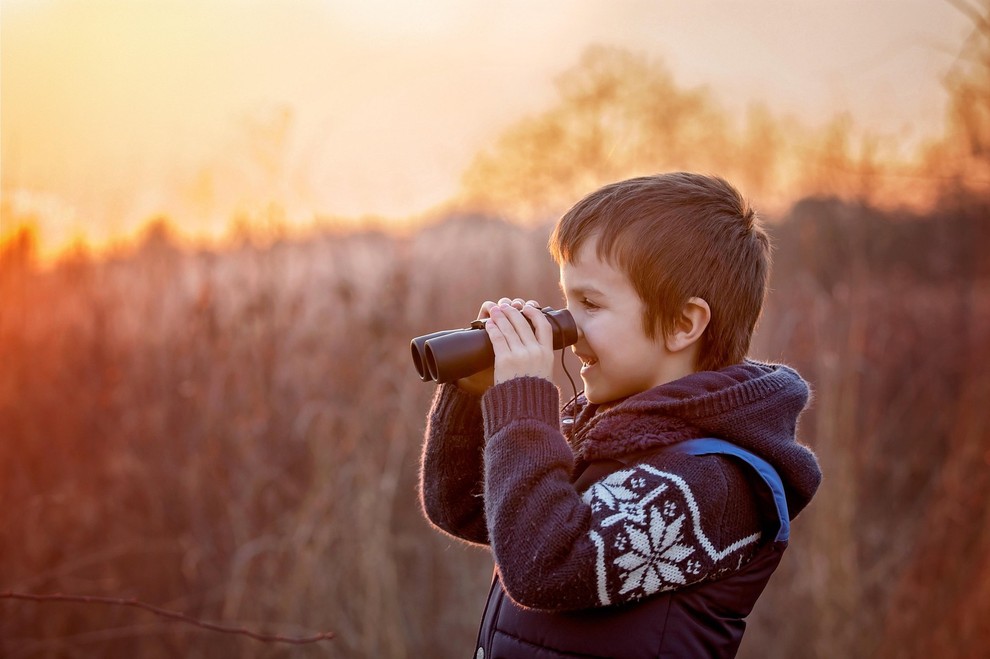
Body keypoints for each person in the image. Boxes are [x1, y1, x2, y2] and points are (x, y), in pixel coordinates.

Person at [418, 172, 822, 658]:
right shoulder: (604, 432)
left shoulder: (713, 482)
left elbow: (544, 567)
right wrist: (476, 393)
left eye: (589, 303)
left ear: (681, 324)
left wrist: (525, 403)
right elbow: (464, 507)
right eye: (566, 300)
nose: (569, 330)